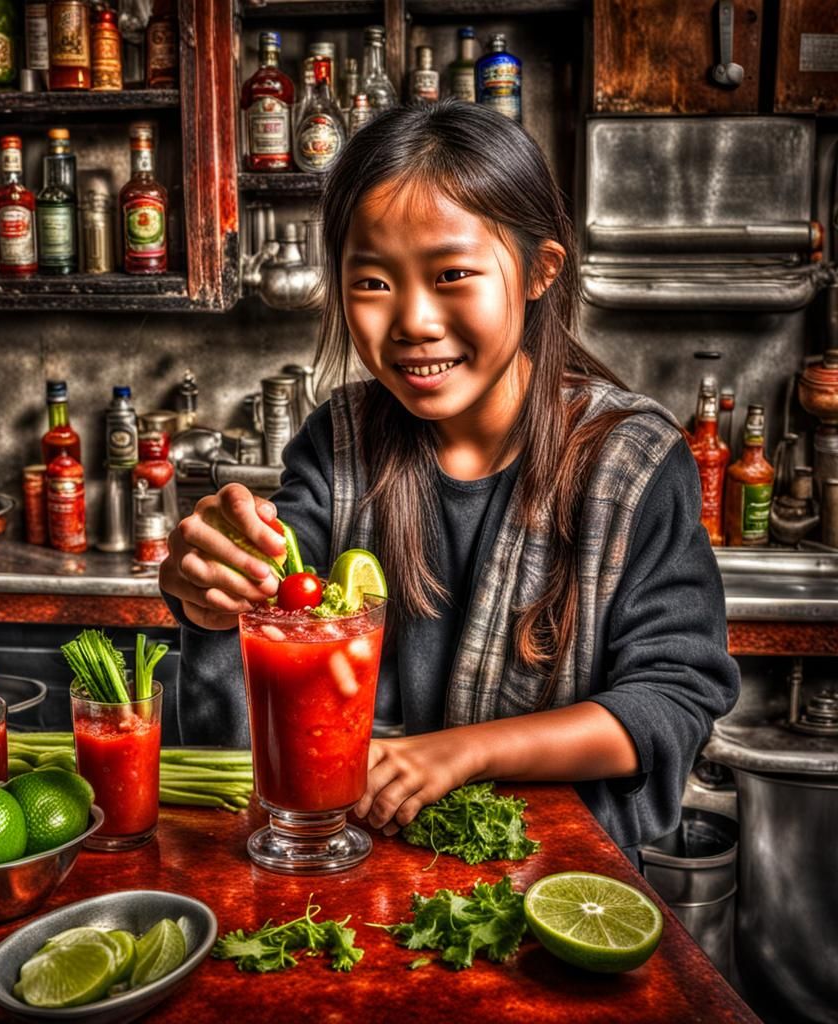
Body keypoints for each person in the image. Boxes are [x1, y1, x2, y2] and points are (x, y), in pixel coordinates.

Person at [159, 100, 739, 863]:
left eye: (453, 275)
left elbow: (670, 698)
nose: (414, 321)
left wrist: (462, 752)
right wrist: (211, 596)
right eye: (373, 282)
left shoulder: (629, 461)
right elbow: (271, 628)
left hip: (551, 876)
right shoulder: (338, 444)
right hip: (354, 874)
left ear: (540, 270)